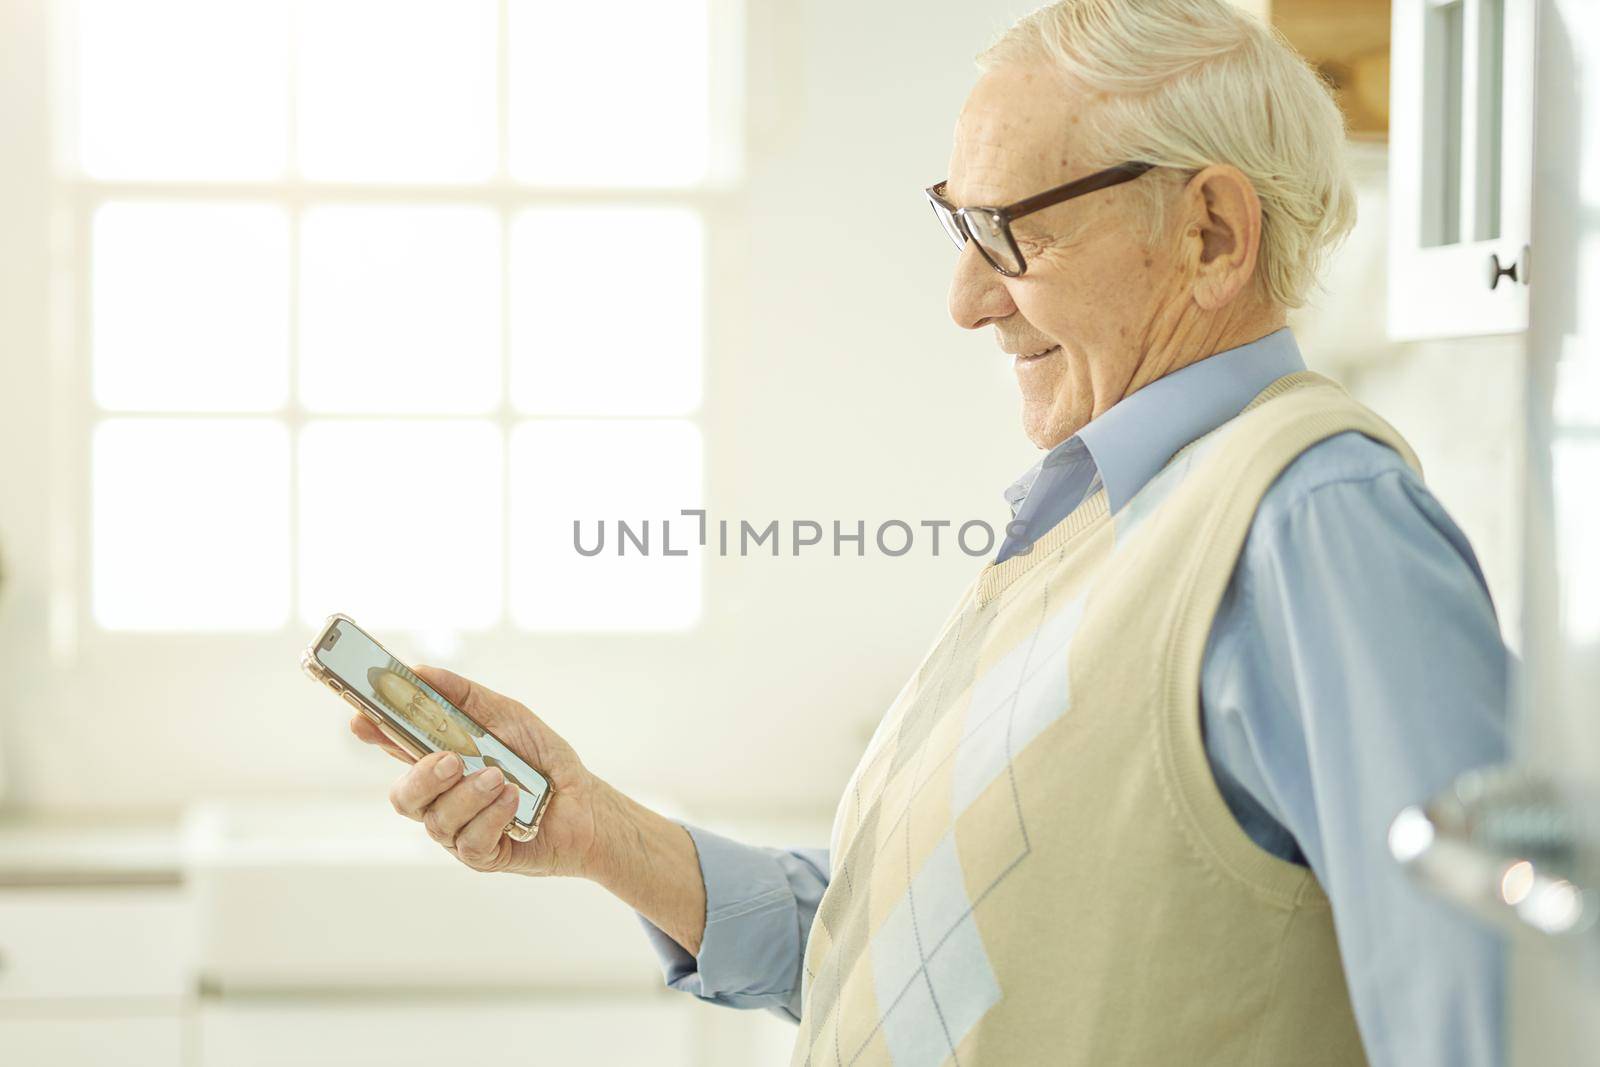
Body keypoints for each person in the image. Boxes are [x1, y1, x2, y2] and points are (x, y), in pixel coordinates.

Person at [351, 1, 1509, 1063]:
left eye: (1011, 233)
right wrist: (602, 830)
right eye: (960, 223)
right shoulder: (1110, 517)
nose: (965, 297)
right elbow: (916, 948)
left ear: (1209, 234)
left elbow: (1492, 1010)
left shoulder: (1314, 525)